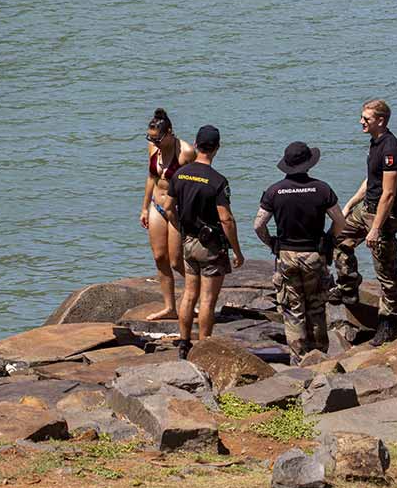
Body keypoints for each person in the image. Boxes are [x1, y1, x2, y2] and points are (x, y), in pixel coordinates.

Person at [254, 142, 346, 364]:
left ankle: (298, 359)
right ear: (308, 163)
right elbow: (340, 222)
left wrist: (272, 243)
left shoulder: (274, 191)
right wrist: (328, 239)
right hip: (314, 254)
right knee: (316, 306)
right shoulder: (322, 189)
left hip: (286, 254)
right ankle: (320, 358)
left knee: (292, 308)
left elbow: (258, 225)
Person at [160, 125, 244, 359]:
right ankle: (204, 346)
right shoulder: (217, 181)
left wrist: (180, 228)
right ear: (217, 148)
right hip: (211, 246)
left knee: (189, 294)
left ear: (196, 145)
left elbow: (168, 207)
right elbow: (226, 219)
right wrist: (237, 250)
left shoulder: (180, 174)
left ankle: (184, 343)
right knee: (207, 298)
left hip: (189, 242)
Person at [331, 99, 397, 346]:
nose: (361, 122)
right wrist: (351, 203)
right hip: (366, 208)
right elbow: (371, 180)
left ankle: (389, 321)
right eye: (362, 118)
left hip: (383, 215)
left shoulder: (391, 149)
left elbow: (388, 193)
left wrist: (375, 229)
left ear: (381, 121)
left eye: (366, 119)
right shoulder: (375, 143)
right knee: (338, 237)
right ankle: (348, 286)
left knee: (385, 268)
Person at [140, 109, 196, 321]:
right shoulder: (153, 148)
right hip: (157, 205)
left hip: (177, 209)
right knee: (159, 257)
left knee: (176, 261)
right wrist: (144, 207)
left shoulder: (186, 153)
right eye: (150, 138)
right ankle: (169, 307)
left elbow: (194, 184)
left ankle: (195, 294)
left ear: (170, 132)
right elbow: (151, 177)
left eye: (157, 138)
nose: (154, 142)